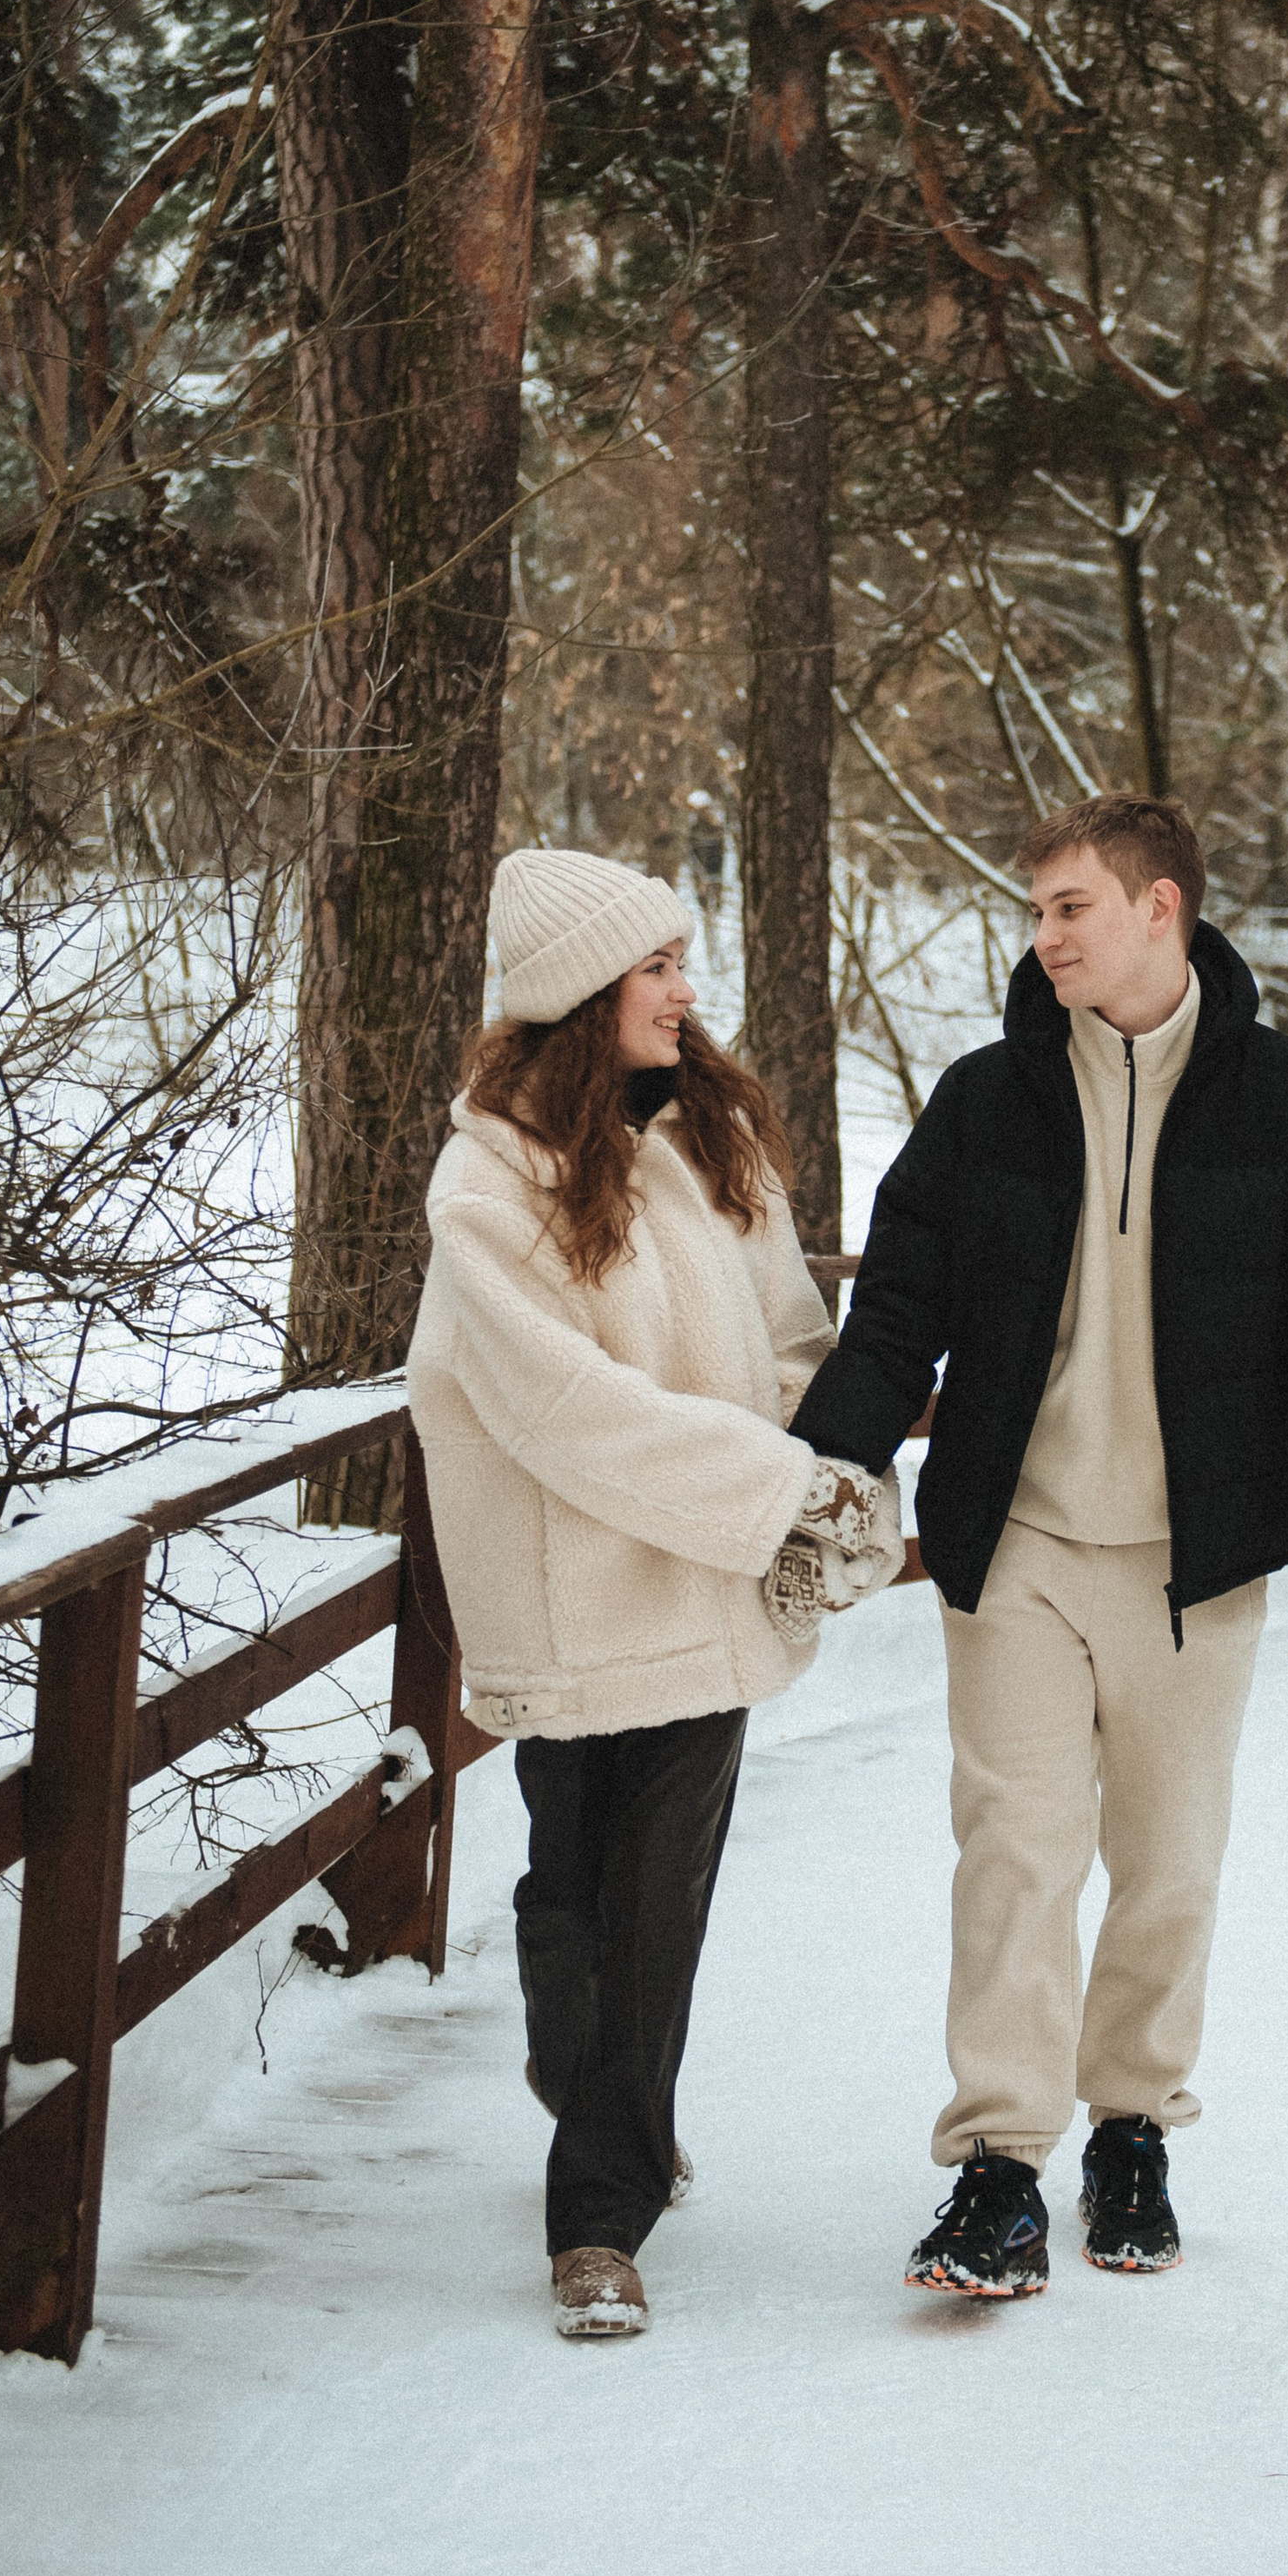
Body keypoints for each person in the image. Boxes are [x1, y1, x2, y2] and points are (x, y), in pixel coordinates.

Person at [790, 794, 1288, 2296]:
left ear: (1159, 912)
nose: (1044, 935)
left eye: (1070, 906)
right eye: (1038, 911)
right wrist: (827, 1470)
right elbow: (898, 1311)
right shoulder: (989, 1100)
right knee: (1015, 1850)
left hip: (1199, 1567)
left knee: (1168, 1863)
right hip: (1022, 1548)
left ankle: (1131, 2127)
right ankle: (1000, 2167)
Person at [407, 848, 899, 2340]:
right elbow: (568, 1413)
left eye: (685, 964)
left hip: (700, 1590)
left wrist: (833, 1483)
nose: (689, 992)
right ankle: (588, 2076)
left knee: (654, 1904)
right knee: (571, 1884)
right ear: (580, 994)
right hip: (568, 1602)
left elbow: (798, 1338)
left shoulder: (700, 1153)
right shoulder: (487, 1185)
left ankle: (597, 2222)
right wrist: (773, 1495)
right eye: (660, 968)